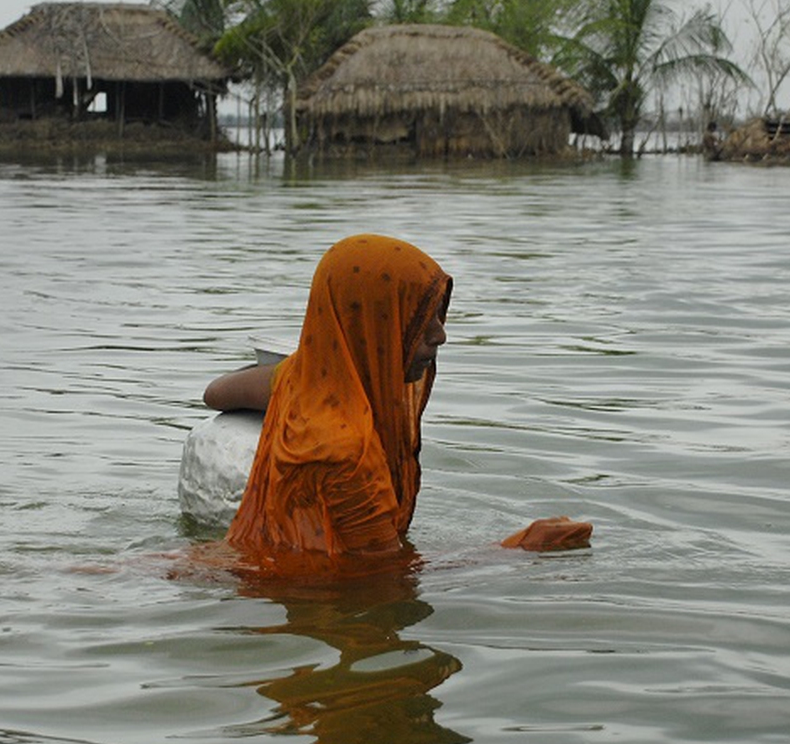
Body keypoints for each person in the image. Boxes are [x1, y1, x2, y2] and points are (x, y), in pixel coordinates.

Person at [209, 234, 590, 570]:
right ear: (376, 325)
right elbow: (388, 577)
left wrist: (328, 351)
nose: (441, 337)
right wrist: (520, 547)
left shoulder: (304, 382)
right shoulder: (347, 456)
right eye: (420, 321)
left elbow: (215, 394)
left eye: (438, 317)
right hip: (312, 600)